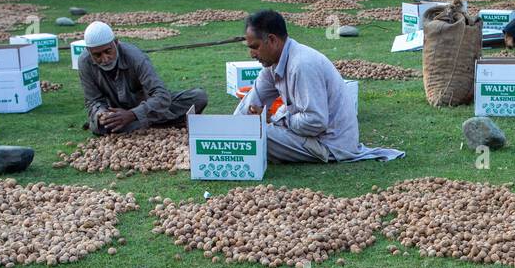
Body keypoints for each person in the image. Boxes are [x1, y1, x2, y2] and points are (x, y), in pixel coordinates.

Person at [241, 10, 403, 164]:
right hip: (309, 135)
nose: (252, 54)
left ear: (273, 40)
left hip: (330, 144)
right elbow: (252, 101)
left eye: (255, 47)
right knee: (247, 133)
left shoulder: (301, 65)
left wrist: (277, 119)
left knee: (257, 136)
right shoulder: (272, 64)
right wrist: (231, 130)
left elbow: (315, 122)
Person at [78, 21, 207, 134]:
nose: (105, 59)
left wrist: (132, 114)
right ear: (89, 52)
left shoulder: (135, 57)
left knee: (199, 97)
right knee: (101, 126)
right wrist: (101, 114)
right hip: (116, 113)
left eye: (108, 51)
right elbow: (93, 101)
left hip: (145, 108)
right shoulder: (85, 62)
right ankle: (160, 124)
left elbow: (161, 95)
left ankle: (138, 124)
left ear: (116, 43)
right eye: (97, 55)